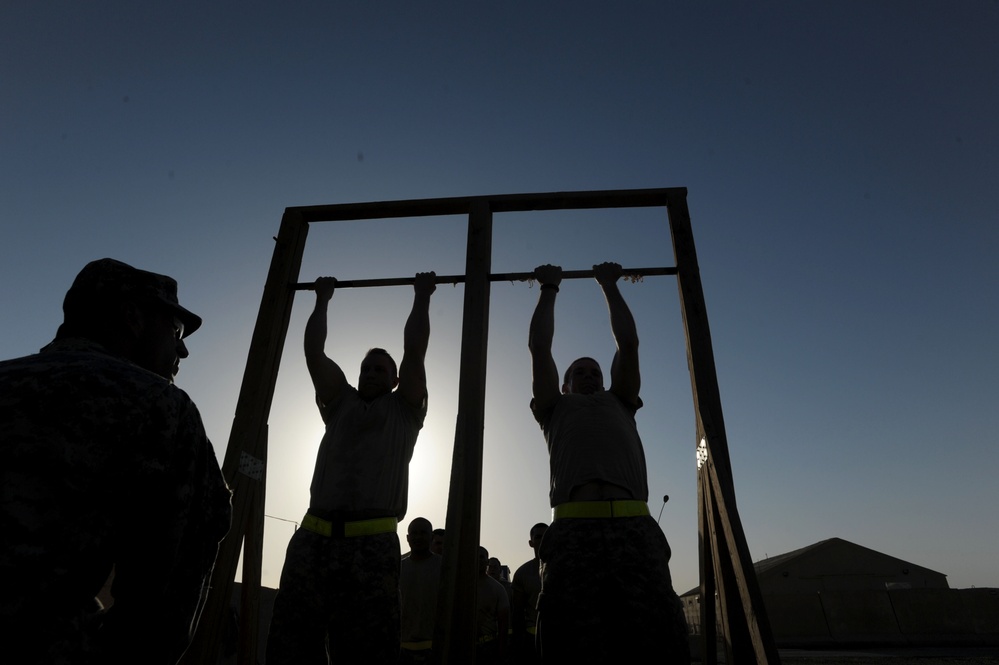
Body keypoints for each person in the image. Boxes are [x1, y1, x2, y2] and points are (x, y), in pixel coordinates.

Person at [0, 258, 232, 664]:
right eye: (175, 330)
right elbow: (157, 608)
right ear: (131, 317)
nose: (182, 349)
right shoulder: (161, 407)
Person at [266, 271, 436, 665]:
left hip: (371, 546)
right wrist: (322, 299)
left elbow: (414, 352)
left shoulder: (405, 410)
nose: (371, 374)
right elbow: (314, 353)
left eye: (380, 369)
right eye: (366, 369)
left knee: (366, 653)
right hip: (313, 539)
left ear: (395, 379)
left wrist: (422, 295)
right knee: (291, 647)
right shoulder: (340, 401)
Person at [527, 262, 690, 664]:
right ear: (565, 384)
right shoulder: (554, 408)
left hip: (633, 530)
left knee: (656, 632)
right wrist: (549, 288)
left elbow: (629, 345)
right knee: (570, 637)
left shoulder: (620, 401)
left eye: (596, 372)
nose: (590, 376)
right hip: (574, 532)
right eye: (580, 372)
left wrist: (609, 284)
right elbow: (539, 348)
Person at [398, 517, 441, 665]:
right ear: (407, 538)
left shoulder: (445, 567)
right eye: (414, 533)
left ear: (432, 537)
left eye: (423, 533)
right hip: (402, 648)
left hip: (436, 648)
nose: (418, 537)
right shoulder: (397, 568)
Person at [511, 522, 548, 663]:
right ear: (531, 543)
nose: (543, 540)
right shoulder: (522, 573)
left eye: (546, 536)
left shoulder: (566, 567)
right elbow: (518, 612)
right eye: (538, 537)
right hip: (532, 639)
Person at [476, 546, 510, 665]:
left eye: (482, 557)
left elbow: (503, 624)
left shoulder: (498, 589)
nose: (478, 559)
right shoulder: (460, 584)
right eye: (476, 556)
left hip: (488, 647)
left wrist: (501, 651)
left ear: (486, 561)